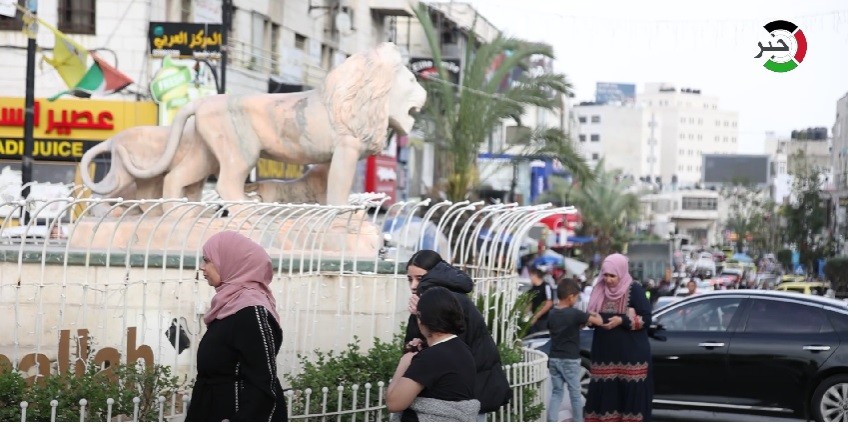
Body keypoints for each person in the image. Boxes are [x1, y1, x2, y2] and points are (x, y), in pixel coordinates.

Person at [185, 231, 287, 422]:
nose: (202, 267)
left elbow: (263, 381)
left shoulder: (251, 310)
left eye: (207, 260)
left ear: (230, 260)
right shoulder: (228, 305)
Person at [404, 250, 511, 419]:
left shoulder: (442, 302)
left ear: (433, 275)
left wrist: (420, 315)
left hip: (464, 397)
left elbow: (447, 347)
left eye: (420, 278)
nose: (413, 286)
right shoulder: (444, 297)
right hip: (467, 393)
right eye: (410, 279)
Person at [387, 286, 480, 421]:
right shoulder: (463, 350)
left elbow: (393, 403)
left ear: (421, 318)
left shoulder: (431, 357)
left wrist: (405, 360)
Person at [584, 253, 653, 422]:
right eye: (605, 275)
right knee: (606, 396)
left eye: (612, 276)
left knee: (629, 399)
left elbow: (647, 319)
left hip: (631, 356)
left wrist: (622, 320)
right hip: (604, 355)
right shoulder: (599, 289)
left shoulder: (634, 289)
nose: (608, 280)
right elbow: (591, 317)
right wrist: (594, 320)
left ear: (621, 273)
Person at [546, 279, 603, 422]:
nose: (577, 300)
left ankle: (552, 420)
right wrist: (596, 314)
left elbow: (560, 329)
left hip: (554, 359)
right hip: (570, 360)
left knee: (557, 393)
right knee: (575, 395)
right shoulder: (575, 313)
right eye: (576, 297)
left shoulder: (552, 313)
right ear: (571, 296)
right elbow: (598, 322)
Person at [528, 266, 554, 333]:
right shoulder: (532, 289)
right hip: (534, 320)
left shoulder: (546, 286)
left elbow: (549, 303)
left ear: (535, 275)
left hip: (544, 320)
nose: (530, 278)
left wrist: (536, 316)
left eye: (530, 276)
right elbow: (530, 303)